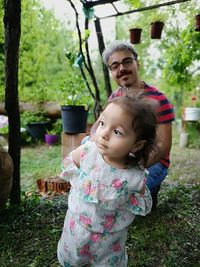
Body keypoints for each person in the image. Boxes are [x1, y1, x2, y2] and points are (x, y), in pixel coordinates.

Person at [57, 95, 157, 267]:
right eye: (102, 124)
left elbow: (142, 202)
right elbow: (70, 161)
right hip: (76, 228)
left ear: (137, 145)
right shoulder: (88, 152)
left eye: (117, 132)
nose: (103, 134)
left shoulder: (134, 177)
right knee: (72, 259)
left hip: (109, 242)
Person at [102, 40, 175, 208]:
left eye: (127, 61)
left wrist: (127, 168)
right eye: (114, 66)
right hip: (121, 155)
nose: (121, 69)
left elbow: (163, 146)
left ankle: (150, 189)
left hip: (152, 162)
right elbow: (102, 129)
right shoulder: (114, 99)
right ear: (112, 72)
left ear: (137, 63)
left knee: (121, 191)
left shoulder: (159, 100)